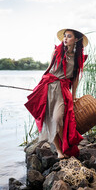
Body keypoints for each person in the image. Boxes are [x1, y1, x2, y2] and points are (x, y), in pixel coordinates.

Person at [24, 28, 88, 159]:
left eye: (69, 36)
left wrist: (74, 95)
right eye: (64, 36)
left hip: (62, 90)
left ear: (76, 40)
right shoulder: (56, 52)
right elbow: (48, 70)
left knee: (58, 118)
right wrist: (39, 88)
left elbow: (75, 79)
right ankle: (59, 151)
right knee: (49, 120)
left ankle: (66, 145)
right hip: (48, 88)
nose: (65, 38)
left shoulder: (78, 59)